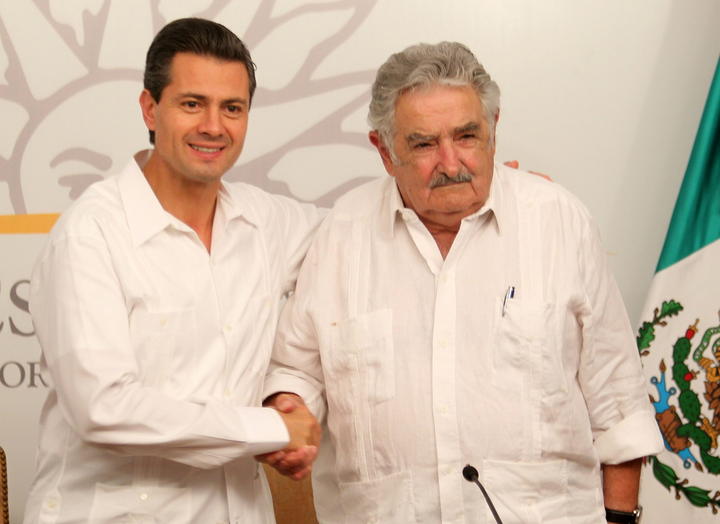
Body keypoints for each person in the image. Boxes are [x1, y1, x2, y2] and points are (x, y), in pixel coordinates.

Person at [263, 42, 664, 523]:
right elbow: (297, 370)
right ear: (384, 150)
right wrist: (289, 405)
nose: (451, 163)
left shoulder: (558, 220)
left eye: (467, 136)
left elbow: (617, 399)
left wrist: (620, 520)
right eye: (424, 144)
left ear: (493, 130)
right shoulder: (341, 234)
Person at [23, 18, 321, 524]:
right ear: (149, 108)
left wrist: (289, 392)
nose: (214, 126)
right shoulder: (90, 234)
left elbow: (359, 236)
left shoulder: (267, 221)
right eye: (192, 104)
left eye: (232, 108)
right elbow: (104, 408)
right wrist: (269, 428)